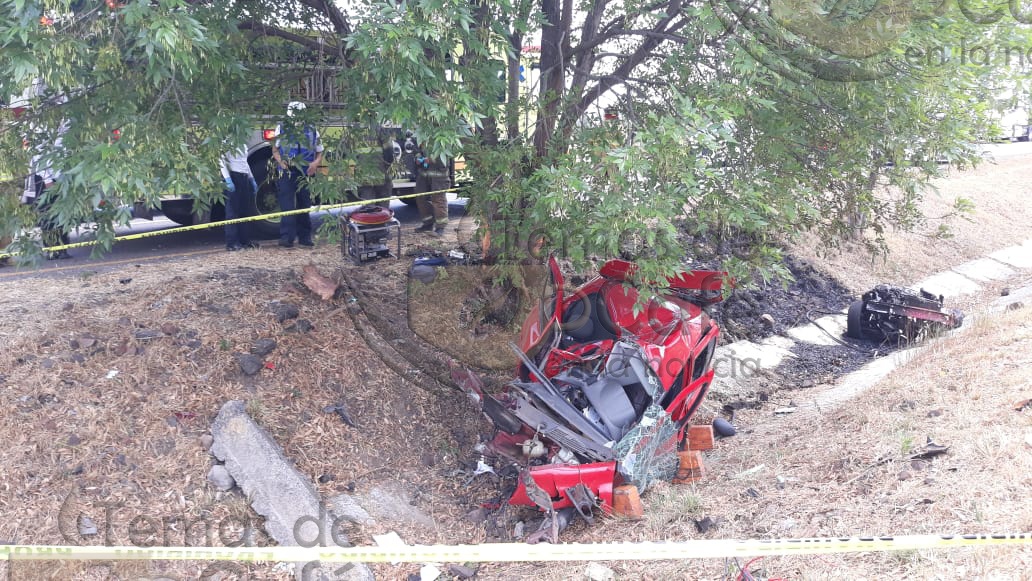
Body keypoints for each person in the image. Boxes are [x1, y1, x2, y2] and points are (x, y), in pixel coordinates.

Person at [271, 102, 324, 248]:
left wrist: (315, 164)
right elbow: (275, 150)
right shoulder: (281, 128)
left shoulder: (312, 130)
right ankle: (287, 238)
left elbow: (320, 151)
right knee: (287, 204)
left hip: (306, 171)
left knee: (304, 204)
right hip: (287, 171)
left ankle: (304, 237)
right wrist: (281, 162)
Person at [25, 119, 72, 260]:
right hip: (43, 177)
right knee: (47, 215)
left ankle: (62, 248)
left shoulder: (65, 121)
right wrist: (47, 180)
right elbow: (38, 156)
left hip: (61, 176)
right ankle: (51, 249)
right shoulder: (40, 124)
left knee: (62, 213)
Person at [220, 144, 260, 251]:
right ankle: (231, 243)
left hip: (244, 176)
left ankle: (244, 241)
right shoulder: (227, 142)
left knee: (244, 211)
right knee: (232, 212)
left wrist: (251, 178)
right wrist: (227, 179)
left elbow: (244, 162)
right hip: (233, 176)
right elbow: (221, 161)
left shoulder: (243, 143)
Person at [413, 146, 450, 237]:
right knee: (421, 197)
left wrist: (431, 159)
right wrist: (418, 158)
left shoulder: (442, 138)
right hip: (424, 173)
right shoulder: (423, 138)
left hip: (439, 174)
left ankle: (440, 227)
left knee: (438, 199)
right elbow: (417, 149)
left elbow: (445, 157)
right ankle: (428, 224)